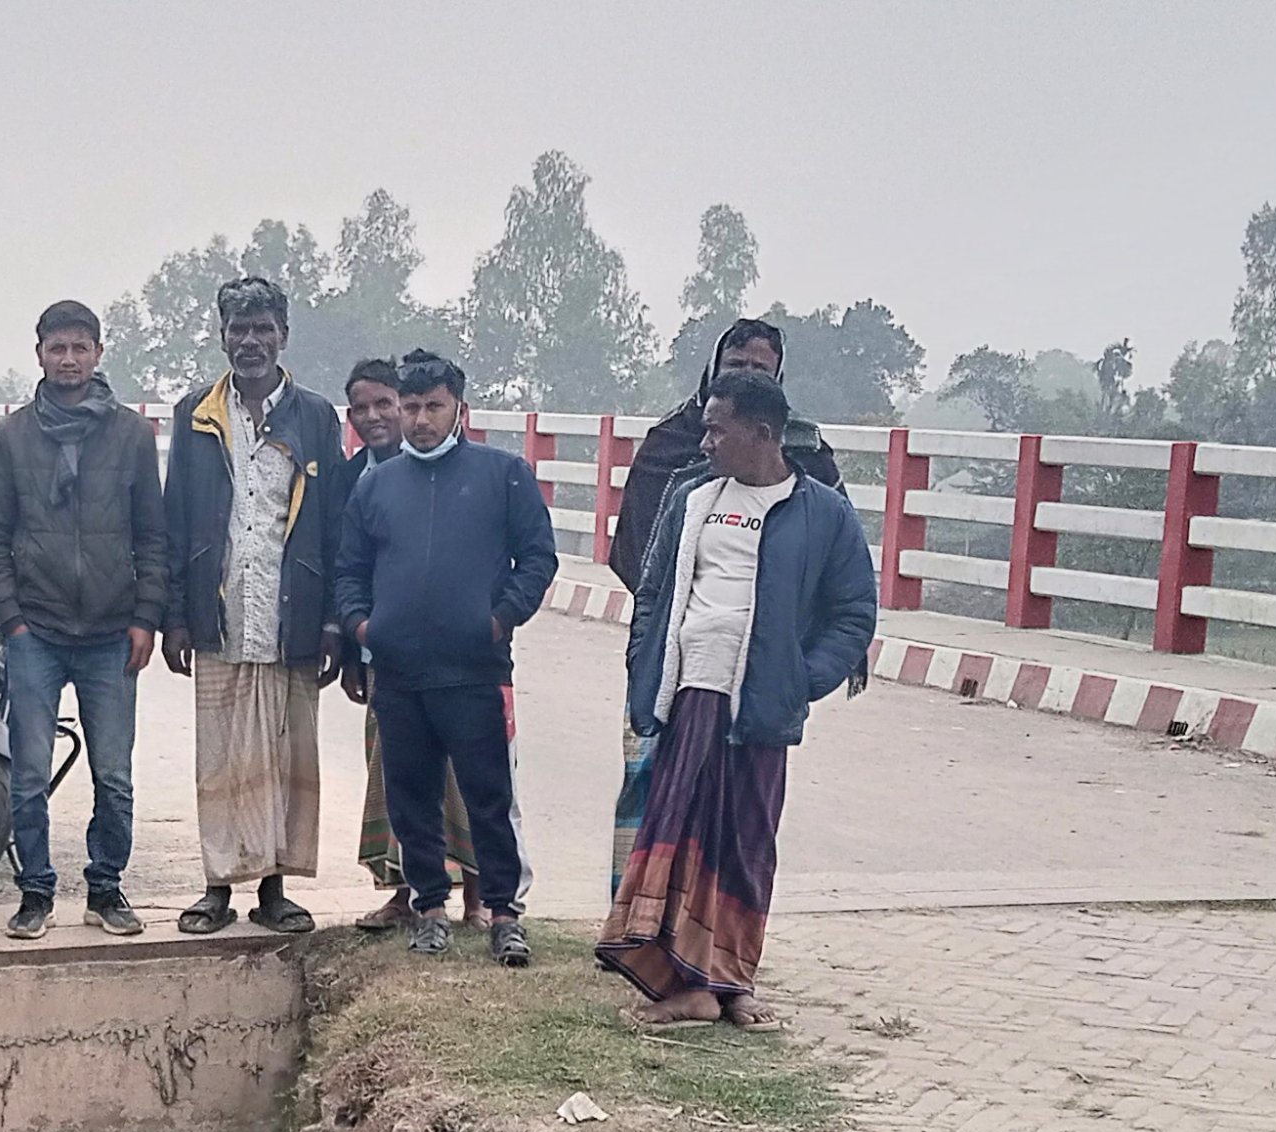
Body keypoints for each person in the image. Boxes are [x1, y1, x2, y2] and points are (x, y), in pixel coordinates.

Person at [601, 372, 879, 1029]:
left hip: (758, 709)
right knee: (679, 833)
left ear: (762, 434)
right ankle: (686, 986)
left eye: (717, 427)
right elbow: (653, 594)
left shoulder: (822, 512)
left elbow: (854, 611)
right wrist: (644, 671)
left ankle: (731, 984)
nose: (706, 439)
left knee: (744, 844)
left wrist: (800, 677)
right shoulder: (692, 498)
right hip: (688, 697)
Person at [330, 350, 551, 964]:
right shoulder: (376, 482)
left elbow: (537, 559)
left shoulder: (502, 474)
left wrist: (499, 619)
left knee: (488, 795)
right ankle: (429, 909)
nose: (420, 420)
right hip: (398, 672)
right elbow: (350, 569)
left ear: (460, 409)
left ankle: (504, 913)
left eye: (434, 407)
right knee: (410, 795)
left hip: (474, 669)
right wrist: (364, 626)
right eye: (410, 407)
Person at [0, 299, 166, 938]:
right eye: (57, 348)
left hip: (113, 633)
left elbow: (152, 537)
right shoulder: (12, 437)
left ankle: (106, 887)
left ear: (98, 353)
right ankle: (35, 891)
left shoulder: (133, 436)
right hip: (37, 631)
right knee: (28, 773)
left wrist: (146, 617)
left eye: (80, 347)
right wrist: (12, 620)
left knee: (113, 773)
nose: (69, 360)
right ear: (38, 354)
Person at [161, 276, 345, 937]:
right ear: (221, 337)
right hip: (220, 607)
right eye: (238, 329)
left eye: (263, 328)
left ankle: (274, 887)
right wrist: (175, 617)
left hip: (294, 608)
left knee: (285, 752)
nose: (250, 341)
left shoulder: (317, 417)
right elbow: (177, 516)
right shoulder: (196, 415)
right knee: (221, 754)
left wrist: (331, 622)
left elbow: (335, 520)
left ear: (284, 336)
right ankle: (216, 885)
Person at [337, 358, 470, 932]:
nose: (378, 417)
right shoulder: (352, 480)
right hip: (385, 659)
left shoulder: (456, 473)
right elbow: (347, 571)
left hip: (457, 660)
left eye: (389, 403)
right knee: (392, 774)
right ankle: (402, 892)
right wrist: (354, 645)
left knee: (464, 777)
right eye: (362, 407)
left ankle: (482, 895)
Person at [609, 318, 845, 587]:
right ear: (713, 371)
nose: (746, 375)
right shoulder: (669, 442)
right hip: (681, 614)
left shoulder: (805, 449)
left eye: (760, 368)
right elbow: (641, 546)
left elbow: (839, 555)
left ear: (777, 378)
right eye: (735, 364)